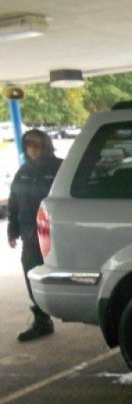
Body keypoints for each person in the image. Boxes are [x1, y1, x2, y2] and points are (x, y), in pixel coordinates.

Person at [7, 129, 62, 341]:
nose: (33, 149)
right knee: (32, 275)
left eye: (37, 144)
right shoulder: (23, 172)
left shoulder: (59, 168)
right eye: (28, 144)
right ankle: (42, 320)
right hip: (30, 236)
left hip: (55, 234)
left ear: (46, 145)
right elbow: (14, 202)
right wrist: (13, 230)